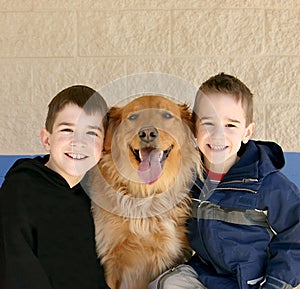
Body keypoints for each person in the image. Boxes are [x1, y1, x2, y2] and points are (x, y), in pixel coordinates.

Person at [149, 73, 300, 289]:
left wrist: (276, 283)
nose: (218, 134)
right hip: (205, 272)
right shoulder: (187, 175)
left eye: (231, 125)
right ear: (194, 129)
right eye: (208, 123)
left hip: (252, 281)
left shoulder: (265, 182)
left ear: (247, 132)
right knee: (161, 285)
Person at [0, 85, 110, 289]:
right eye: (67, 130)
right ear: (46, 140)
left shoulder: (95, 197)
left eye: (91, 133)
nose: (79, 142)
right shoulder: (21, 188)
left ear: (104, 148)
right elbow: (16, 266)